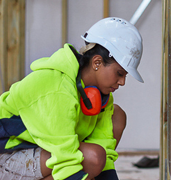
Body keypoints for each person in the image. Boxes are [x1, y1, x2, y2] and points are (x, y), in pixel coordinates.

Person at [0, 17, 143, 180]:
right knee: (92, 157)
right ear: (97, 62)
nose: (122, 82)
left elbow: (105, 155)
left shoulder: (102, 97)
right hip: (6, 153)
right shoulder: (56, 87)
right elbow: (66, 159)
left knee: (116, 116)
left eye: (125, 76)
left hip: (37, 150)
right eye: (119, 73)